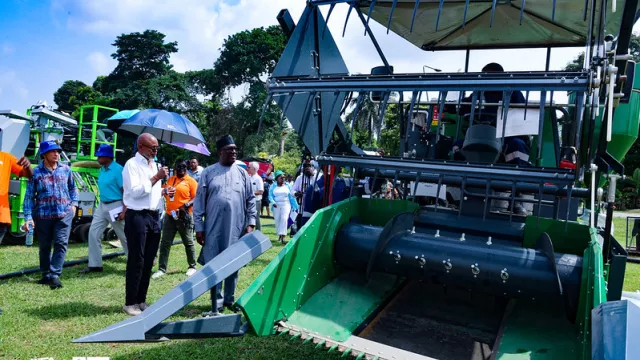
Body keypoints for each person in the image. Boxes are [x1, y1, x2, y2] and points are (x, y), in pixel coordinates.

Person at [193, 135, 256, 316]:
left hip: (236, 226)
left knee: (233, 262)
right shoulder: (208, 172)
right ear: (220, 152)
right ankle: (217, 300)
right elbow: (199, 202)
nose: (234, 152)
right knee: (214, 262)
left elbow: (250, 200)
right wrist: (199, 227)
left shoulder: (243, 173)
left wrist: (250, 223)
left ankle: (229, 298)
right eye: (230, 149)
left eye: (235, 149)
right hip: (213, 226)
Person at [121, 133, 168, 316]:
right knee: (137, 259)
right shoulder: (131, 164)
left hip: (154, 215)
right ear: (141, 146)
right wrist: (156, 177)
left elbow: (151, 192)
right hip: (137, 216)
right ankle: (130, 302)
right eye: (152, 148)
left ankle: (141, 299)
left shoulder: (153, 164)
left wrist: (163, 191)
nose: (155, 151)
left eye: (157, 148)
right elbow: (134, 193)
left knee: (149, 259)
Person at [23, 140, 79, 290]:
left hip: (64, 213)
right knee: (44, 246)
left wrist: (74, 205)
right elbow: (29, 196)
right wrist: (28, 217)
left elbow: (73, 189)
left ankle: (55, 275)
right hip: (43, 215)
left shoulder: (66, 169)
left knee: (61, 243)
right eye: (52, 151)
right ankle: (46, 274)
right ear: (44, 154)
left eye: (58, 151)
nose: (56, 154)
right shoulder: (36, 172)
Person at [82, 144, 128, 273]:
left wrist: (125, 210)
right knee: (93, 233)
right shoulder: (103, 169)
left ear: (108, 157)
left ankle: (134, 263)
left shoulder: (118, 170)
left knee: (124, 236)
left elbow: (125, 191)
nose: (98, 158)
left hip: (117, 205)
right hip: (102, 205)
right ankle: (95, 265)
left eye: (100, 156)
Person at [152, 159, 198, 279]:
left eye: (183, 167)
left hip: (185, 216)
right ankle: (162, 268)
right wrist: (165, 191)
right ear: (175, 168)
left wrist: (186, 205)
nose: (180, 169)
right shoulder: (171, 179)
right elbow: (162, 191)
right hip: (170, 215)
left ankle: (192, 266)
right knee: (165, 242)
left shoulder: (191, 181)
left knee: (188, 242)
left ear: (186, 168)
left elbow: (197, 197)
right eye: (178, 167)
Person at [268, 170, 298, 244]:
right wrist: (273, 202)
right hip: (276, 205)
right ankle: (280, 234)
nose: (283, 179)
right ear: (277, 178)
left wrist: (294, 205)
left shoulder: (287, 185)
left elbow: (291, 196)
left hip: (286, 204)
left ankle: (283, 237)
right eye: (281, 177)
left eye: (284, 177)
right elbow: (270, 196)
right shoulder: (273, 186)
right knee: (278, 220)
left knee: (284, 219)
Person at [292, 161, 323, 227]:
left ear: (313, 167)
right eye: (305, 166)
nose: (307, 168)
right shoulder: (300, 178)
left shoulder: (319, 176)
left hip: (316, 207)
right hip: (302, 208)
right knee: (301, 227)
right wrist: (296, 194)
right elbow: (292, 191)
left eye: (309, 166)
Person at [247, 162, 264, 231]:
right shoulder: (249, 177)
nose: (247, 169)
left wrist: (252, 193)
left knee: (256, 217)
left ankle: (258, 232)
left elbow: (261, 191)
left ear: (253, 169)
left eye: (249, 167)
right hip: (249, 200)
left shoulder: (258, 179)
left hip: (256, 201)